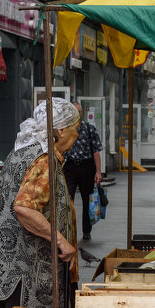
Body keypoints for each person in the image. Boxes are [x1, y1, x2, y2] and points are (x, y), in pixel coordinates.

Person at [0, 98, 81, 308]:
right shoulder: (44, 159)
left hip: (9, 270)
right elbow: (24, 208)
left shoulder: (21, 151)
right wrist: (62, 242)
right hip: (29, 275)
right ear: (61, 130)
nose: (77, 135)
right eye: (76, 129)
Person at [62, 102, 102, 242]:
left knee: (87, 201)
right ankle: (67, 230)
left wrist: (98, 171)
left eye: (79, 111)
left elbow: (96, 151)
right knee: (67, 200)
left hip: (86, 167)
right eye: (75, 111)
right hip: (70, 167)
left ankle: (86, 231)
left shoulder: (89, 129)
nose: (78, 114)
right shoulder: (64, 129)